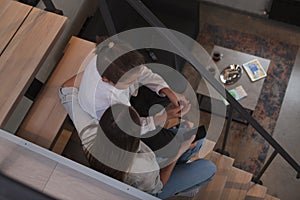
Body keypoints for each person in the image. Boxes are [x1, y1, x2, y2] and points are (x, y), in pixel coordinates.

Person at [59, 79, 216, 199]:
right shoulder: (142, 166)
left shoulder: (89, 132)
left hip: (129, 174)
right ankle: (182, 186)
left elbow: (66, 89)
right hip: (146, 189)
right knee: (208, 167)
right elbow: (158, 185)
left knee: (193, 140)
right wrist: (180, 150)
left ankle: (181, 172)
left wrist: (103, 67)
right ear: (136, 134)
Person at [77, 39, 202, 161]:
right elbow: (132, 128)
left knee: (178, 81)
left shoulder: (108, 58)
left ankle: (154, 118)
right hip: (118, 128)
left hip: (128, 105)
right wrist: (165, 117)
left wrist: (166, 91)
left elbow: (143, 73)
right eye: (130, 81)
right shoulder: (106, 101)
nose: (136, 82)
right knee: (173, 145)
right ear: (105, 80)